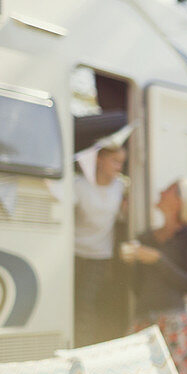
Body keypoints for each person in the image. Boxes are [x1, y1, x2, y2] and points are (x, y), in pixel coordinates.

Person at [121, 176, 187, 374]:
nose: (160, 192)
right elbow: (136, 287)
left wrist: (158, 259)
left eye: (168, 190)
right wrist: (129, 264)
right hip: (143, 320)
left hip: (173, 322)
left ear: (180, 201)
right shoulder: (145, 238)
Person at [73, 142, 127, 346]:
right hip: (75, 253)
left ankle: (87, 348)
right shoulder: (79, 185)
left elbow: (123, 216)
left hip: (100, 257)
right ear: (99, 159)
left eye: (122, 163)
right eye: (115, 161)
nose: (119, 168)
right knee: (75, 305)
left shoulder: (121, 187)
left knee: (88, 306)